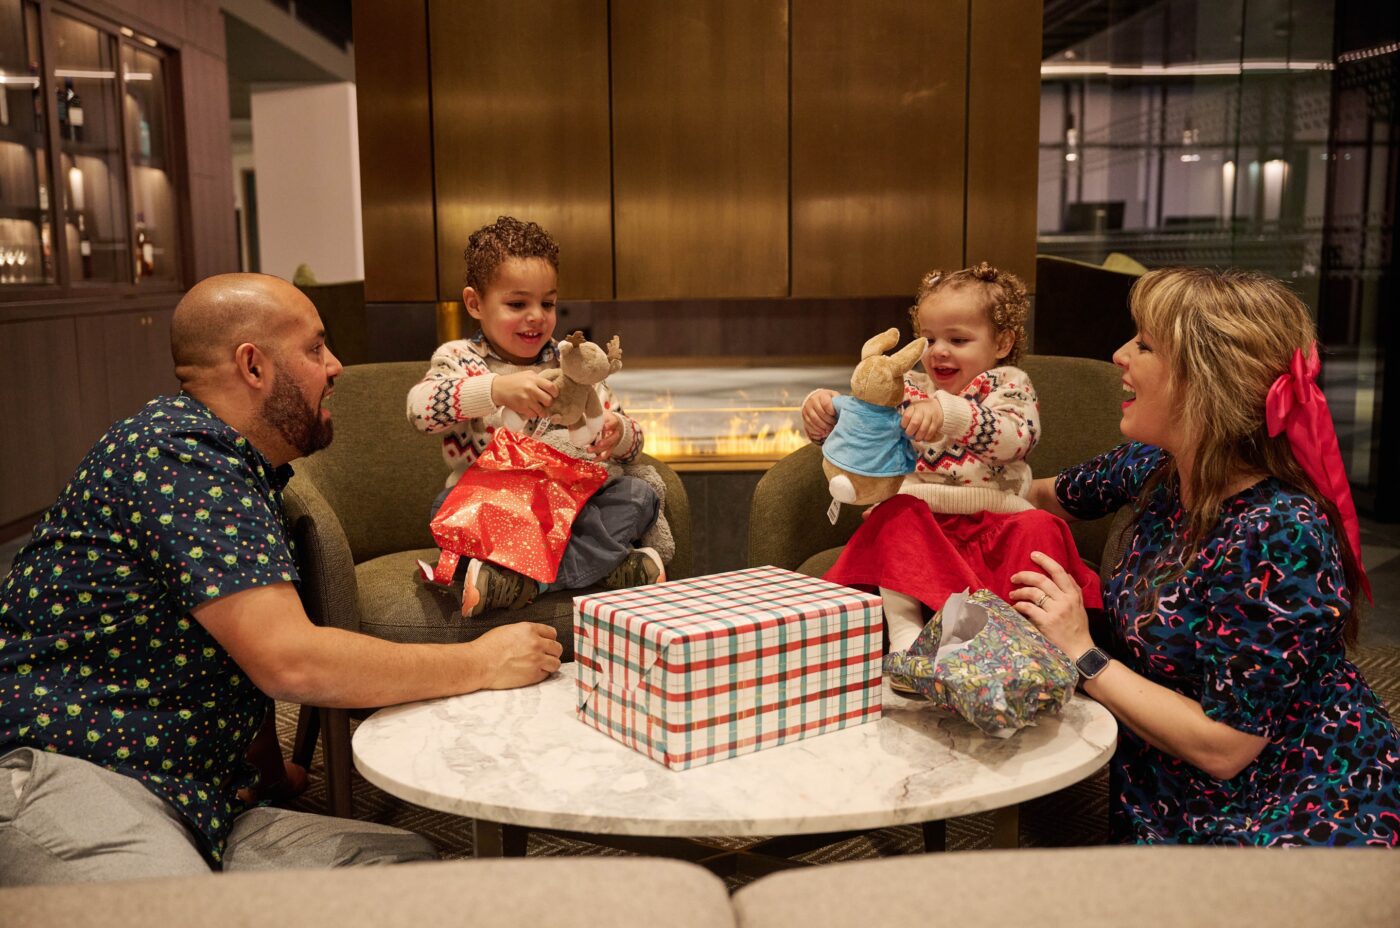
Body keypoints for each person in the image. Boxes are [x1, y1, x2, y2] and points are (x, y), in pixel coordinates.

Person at [0, 273, 564, 884]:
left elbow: (234, 646)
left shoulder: (238, 466)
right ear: (253, 366)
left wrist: (269, 778)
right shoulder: (179, 455)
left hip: (202, 799)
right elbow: (288, 661)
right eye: (317, 348)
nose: (336, 367)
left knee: (405, 871)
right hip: (73, 769)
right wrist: (481, 663)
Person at [1009, 266, 1399, 845]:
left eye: (1143, 344)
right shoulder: (1152, 467)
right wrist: (938, 460)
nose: (1118, 355)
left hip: (1293, 798)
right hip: (1165, 785)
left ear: (1204, 380)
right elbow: (1028, 491)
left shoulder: (1280, 534)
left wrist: (1080, 651)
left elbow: (1225, 748)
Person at [803, 262, 1100, 651]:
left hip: (996, 521)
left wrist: (951, 414)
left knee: (1040, 528)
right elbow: (867, 436)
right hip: (926, 526)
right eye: (929, 339)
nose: (939, 351)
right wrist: (827, 414)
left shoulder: (1009, 384)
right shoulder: (906, 387)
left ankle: (1024, 639)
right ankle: (907, 637)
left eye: (958, 340)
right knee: (891, 516)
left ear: (1002, 343)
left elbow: (1016, 438)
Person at [407, 216, 663, 617]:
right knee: (445, 507)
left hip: (570, 504)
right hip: (497, 504)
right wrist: (495, 389)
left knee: (639, 495)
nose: (536, 316)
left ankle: (523, 581)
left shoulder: (571, 361)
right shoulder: (460, 359)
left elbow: (630, 440)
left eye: (547, 304)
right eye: (517, 303)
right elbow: (419, 409)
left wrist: (619, 433)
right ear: (475, 303)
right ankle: (603, 569)